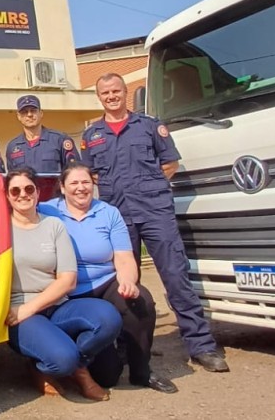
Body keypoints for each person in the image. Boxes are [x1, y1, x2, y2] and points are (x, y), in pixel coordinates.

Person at [81, 73, 228, 373]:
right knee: (124, 284)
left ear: (125, 92)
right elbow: (92, 174)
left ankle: (200, 345)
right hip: (118, 217)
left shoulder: (149, 126)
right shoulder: (91, 135)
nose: (111, 96)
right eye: (105, 92)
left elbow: (170, 164)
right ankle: (131, 346)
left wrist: (147, 188)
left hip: (155, 212)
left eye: (116, 90)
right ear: (99, 97)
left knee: (175, 277)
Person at [39, 163, 178, 394]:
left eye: (86, 182)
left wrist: (128, 282)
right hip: (70, 291)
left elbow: (124, 258)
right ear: (62, 188)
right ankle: (75, 356)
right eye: (74, 183)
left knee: (141, 302)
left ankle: (142, 371)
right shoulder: (47, 211)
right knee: (107, 377)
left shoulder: (108, 212)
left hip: (106, 281)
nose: (81, 188)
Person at [4, 167, 121, 401]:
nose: (22, 195)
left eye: (28, 189)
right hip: (20, 314)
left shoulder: (54, 225)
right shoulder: (0, 230)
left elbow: (68, 279)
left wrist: (30, 307)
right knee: (62, 360)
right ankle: (50, 367)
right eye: (15, 190)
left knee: (109, 318)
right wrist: (22, 310)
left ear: (38, 192)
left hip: (55, 304)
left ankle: (76, 366)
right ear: (7, 196)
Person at [4, 95, 78, 174]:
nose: (29, 115)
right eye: (24, 112)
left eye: (33, 110)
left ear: (41, 113)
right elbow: (12, 178)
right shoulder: (13, 146)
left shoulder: (60, 140)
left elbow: (75, 172)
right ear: (18, 116)